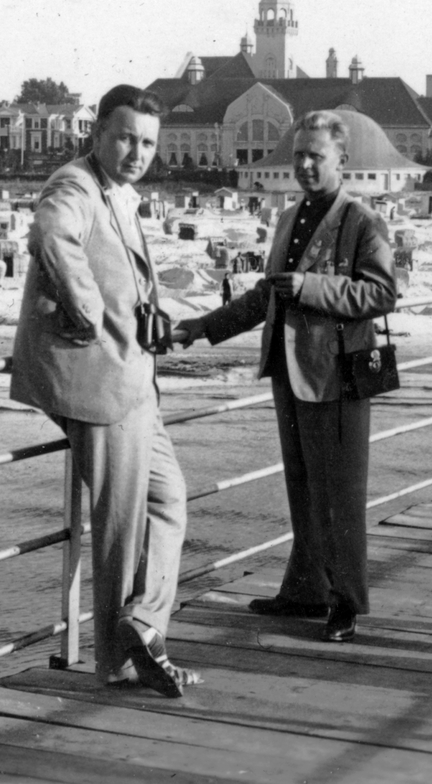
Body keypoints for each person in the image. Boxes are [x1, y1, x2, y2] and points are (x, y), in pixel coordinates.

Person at [175, 111, 397, 643]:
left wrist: (310, 287)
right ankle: (304, 591)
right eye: (298, 154)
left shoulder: (363, 222)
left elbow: (382, 294)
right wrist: (203, 327)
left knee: (340, 492)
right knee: (301, 486)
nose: (303, 165)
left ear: (341, 159)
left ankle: (345, 601)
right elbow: (265, 296)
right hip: (287, 367)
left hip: (336, 373)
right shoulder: (288, 217)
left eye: (315, 156)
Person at [8, 84, 198, 698]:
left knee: (168, 500)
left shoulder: (121, 193)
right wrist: (88, 313)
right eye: (124, 137)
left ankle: (142, 624)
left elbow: (119, 272)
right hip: (97, 378)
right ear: (98, 133)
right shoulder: (75, 184)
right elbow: (52, 234)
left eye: (147, 142)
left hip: (131, 376)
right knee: (119, 522)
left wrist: (148, 315)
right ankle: (117, 661)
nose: (136, 151)